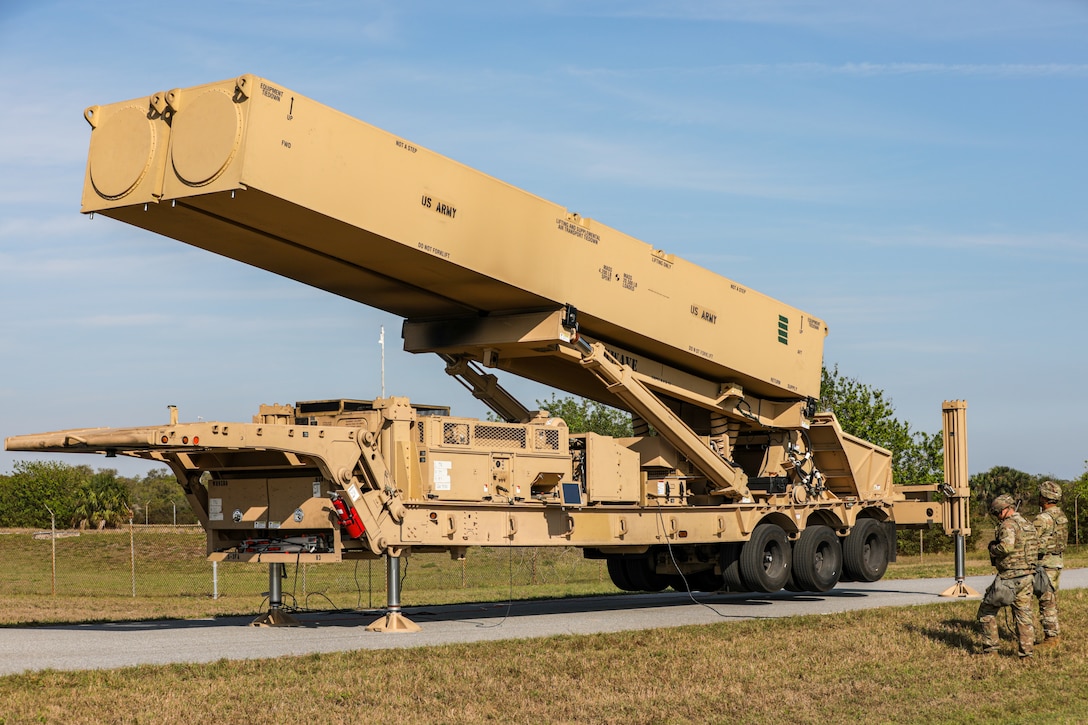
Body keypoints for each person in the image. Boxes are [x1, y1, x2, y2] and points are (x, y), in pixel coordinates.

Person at [977, 493, 1038, 658]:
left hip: (1009, 577)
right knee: (1023, 614)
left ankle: (991, 650)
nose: (997, 517)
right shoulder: (1028, 524)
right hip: (1027, 575)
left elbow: (1006, 547)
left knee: (986, 611)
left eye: (997, 513)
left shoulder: (1008, 525)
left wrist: (992, 549)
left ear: (1004, 510)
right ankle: (1026, 653)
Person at [1033, 480, 1068, 647]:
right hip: (1057, 561)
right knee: (1050, 598)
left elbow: (1031, 542)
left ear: (1045, 497)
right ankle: (1052, 633)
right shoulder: (1060, 516)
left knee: (1046, 600)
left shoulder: (1043, 518)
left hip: (1045, 563)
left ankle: (1051, 636)